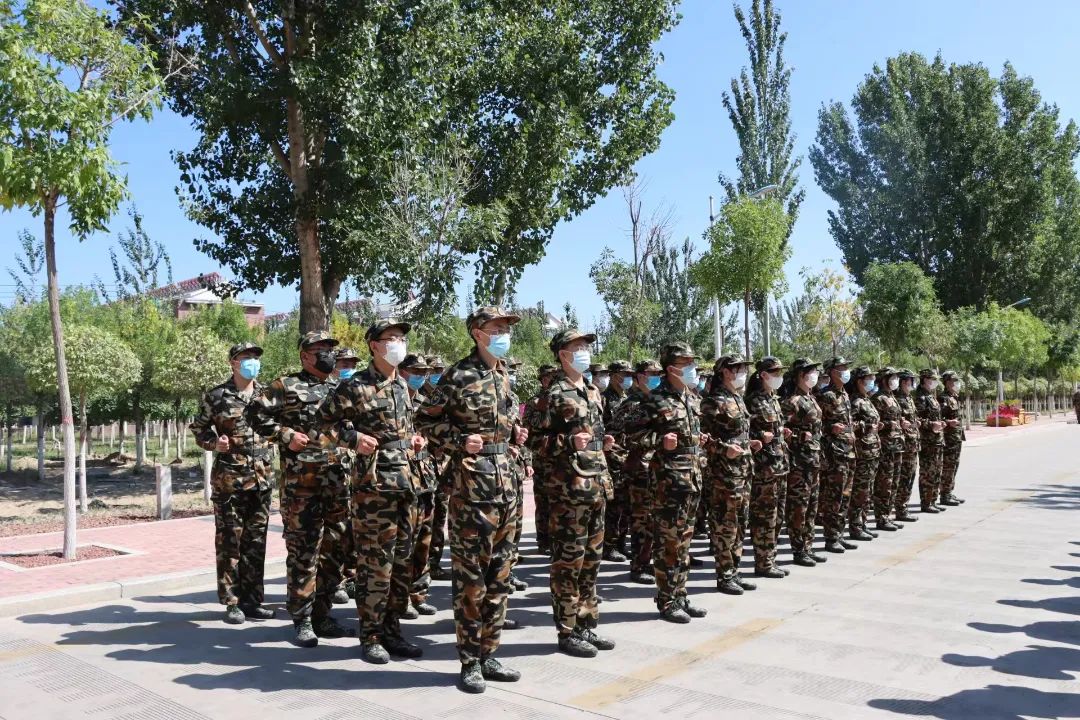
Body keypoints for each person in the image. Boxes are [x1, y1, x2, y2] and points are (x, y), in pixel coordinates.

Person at [416, 306, 527, 694]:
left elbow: (506, 419)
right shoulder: (458, 375)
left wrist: (516, 435)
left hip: (507, 486)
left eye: (506, 328)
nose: (504, 334)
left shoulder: (503, 373)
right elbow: (424, 419)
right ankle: (469, 661)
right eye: (497, 328)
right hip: (471, 489)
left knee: (500, 576)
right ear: (478, 333)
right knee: (471, 579)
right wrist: (459, 440)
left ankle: (489, 652)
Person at [316, 320, 425, 663]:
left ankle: (392, 631)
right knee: (376, 565)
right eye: (391, 338)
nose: (398, 343)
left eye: (401, 338)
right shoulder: (356, 386)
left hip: (407, 485)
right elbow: (322, 422)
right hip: (374, 489)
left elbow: (402, 429)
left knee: (402, 564)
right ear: (374, 346)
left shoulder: (401, 385)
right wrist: (353, 439)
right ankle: (371, 636)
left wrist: (413, 440)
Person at [247, 331, 352, 647]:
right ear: (305, 355)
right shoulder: (286, 385)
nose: (328, 354)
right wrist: (284, 435)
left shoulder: (339, 388)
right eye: (321, 349)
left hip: (338, 484)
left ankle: (322, 614)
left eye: (330, 349)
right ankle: (302, 619)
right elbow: (254, 413)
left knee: (335, 551)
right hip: (302, 487)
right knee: (304, 552)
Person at [541, 329, 616, 657]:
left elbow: (592, 435)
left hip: (596, 487)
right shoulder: (554, 394)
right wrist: (566, 442)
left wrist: (602, 443)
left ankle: (586, 624)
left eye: (586, 345)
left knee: (591, 563)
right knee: (568, 564)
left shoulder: (591, 390)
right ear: (563, 354)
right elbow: (534, 440)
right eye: (578, 346)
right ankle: (567, 630)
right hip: (569, 493)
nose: (585, 350)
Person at [190, 341, 276, 625]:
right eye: (246, 357)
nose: (252, 361)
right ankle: (232, 602)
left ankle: (253, 601)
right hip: (230, 480)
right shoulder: (217, 396)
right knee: (230, 542)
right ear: (233, 363)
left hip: (262, 479)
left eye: (255, 357)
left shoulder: (268, 394)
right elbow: (199, 428)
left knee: (256, 542)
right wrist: (214, 443)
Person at [625, 342, 709, 624]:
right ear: (671, 368)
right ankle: (667, 600)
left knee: (684, 543)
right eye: (686, 363)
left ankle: (680, 595)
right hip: (668, 482)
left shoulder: (691, 398)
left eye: (692, 362)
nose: (692, 368)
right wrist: (659, 440)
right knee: (668, 543)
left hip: (692, 478)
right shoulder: (654, 399)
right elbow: (631, 435)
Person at [700, 354, 758, 595]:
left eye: (743, 368)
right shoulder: (713, 401)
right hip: (723, 474)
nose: (743, 372)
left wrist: (748, 444)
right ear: (724, 371)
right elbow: (702, 439)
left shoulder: (737, 398)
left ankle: (734, 571)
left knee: (741, 523)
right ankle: (724, 575)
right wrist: (724, 449)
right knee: (725, 524)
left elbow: (736, 433)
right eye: (738, 368)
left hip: (742, 471)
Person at [610, 359, 662, 585]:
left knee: (656, 519)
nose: (657, 377)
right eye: (652, 374)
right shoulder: (632, 403)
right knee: (642, 520)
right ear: (640, 377)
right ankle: (639, 566)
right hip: (639, 468)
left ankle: (651, 561)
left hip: (659, 468)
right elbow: (617, 434)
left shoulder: (658, 400)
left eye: (658, 374)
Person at [398, 354, 439, 619]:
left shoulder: (426, 403)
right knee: (405, 543)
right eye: (415, 371)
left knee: (424, 541)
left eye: (423, 372)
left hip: (426, 480)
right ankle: (401, 599)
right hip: (402, 480)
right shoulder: (395, 402)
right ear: (402, 371)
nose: (420, 376)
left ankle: (419, 594)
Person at [779, 358, 827, 567]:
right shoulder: (792, 401)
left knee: (811, 506)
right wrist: (799, 436)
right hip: (799, 462)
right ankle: (798, 550)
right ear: (801, 375)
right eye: (811, 371)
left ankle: (808, 546)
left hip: (813, 460)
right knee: (799, 507)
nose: (815, 375)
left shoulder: (811, 398)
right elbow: (782, 431)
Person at [745, 356, 789, 579]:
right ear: (763, 375)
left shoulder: (773, 399)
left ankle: (770, 558)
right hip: (764, 468)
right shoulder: (753, 401)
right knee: (764, 517)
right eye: (775, 372)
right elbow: (743, 430)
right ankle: (762, 562)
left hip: (780, 465)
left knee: (778, 516)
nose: (779, 376)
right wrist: (760, 435)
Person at [816, 357, 859, 554]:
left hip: (848, 452)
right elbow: (817, 426)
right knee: (833, 497)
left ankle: (839, 535)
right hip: (834, 454)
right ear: (833, 371)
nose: (846, 370)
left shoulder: (844, 394)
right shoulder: (826, 396)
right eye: (843, 367)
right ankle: (831, 537)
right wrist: (830, 428)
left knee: (845, 496)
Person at [329, 347, 360, 605]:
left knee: (354, 529)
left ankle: (352, 577)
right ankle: (336, 581)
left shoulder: (358, 393)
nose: (347, 368)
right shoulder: (328, 392)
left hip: (357, 473)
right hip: (331, 474)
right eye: (343, 363)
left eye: (351, 364)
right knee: (335, 531)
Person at [524, 364, 558, 556]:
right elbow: (529, 427)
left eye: (554, 377)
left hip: (560, 458)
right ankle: (543, 540)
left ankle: (556, 540)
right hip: (542, 458)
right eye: (548, 377)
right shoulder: (535, 402)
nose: (551, 380)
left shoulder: (562, 398)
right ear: (542, 380)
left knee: (558, 501)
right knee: (543, 501)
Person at [601, 360, 634, 563]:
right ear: (613, 376)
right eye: (624, 374)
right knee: (614, 504)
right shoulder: (604, 399)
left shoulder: (628, 398)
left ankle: (621, 543)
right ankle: (609, 545)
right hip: (612, 457)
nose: (628, 378)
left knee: (626, 504)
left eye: (630, 374)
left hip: (628, 456)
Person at [846, 366, 881, 542]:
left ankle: (863, 524)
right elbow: (850, 425)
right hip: (862, 452)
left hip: (872, 451)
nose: (872, 382)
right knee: (859, 492)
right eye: (868, 378)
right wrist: (866, 426)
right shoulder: (855, 401)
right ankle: (855, 527)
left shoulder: (867, 399)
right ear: (859, 381)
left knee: (867, 491)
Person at [425, 355, 452, 581]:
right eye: (434, 370)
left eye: (440, 370)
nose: (437, 374)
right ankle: (421, 566)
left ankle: (434, 562)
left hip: (441, 464)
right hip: (422, 466)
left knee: (440, 515)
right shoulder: (419, 399)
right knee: (424, 518)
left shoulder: (445, 398)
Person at [871, 367, 904, 533]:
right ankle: (881, 517)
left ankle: (888, 515)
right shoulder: (878, 398)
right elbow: (877, 423)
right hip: (886, 446)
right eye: (893, 377)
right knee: (884, 483)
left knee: (894, 482)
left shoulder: (892, 397)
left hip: (897, 445)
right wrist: (889, 424)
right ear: (884, 380)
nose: (896, 380)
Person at [914, 369, 947, 514]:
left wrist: (941, 422)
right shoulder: (921, 397)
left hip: (937, 439)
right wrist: (931, 425)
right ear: (924, 380)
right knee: (927, 472)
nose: (934, 382)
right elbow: (918, 420)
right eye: (932, 379)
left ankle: (933, 500)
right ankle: (926, 502)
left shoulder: (930, 396)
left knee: (936, 471)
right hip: (928, 441)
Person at [893, 369, 921, 524]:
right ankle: (900, 509)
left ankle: (903, 506)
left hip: (913, 444)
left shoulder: (908, 398)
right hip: (904, 445)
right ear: (904, 382)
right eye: (911, 381)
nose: (913, 383)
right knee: (903, 478)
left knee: (910, 477)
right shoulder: (898, 399)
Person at [938, 370, 967, 506]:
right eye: (954, 381)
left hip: (956, 437)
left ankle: (949, 491)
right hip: (948, 438)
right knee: (948, 467)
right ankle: (944, 495)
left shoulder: (954, 397)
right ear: (947, 382)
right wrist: (949, 422)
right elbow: (939, 418)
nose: (957, 383)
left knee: (954, 465)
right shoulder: (943, 398)